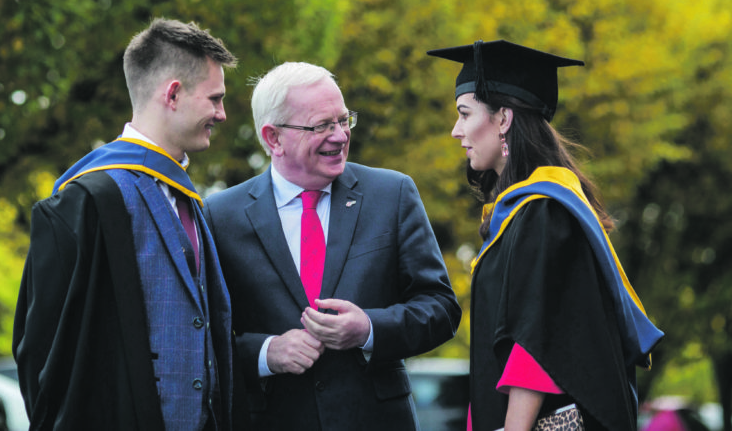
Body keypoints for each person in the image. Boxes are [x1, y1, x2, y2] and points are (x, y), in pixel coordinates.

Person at [202, 61, 462, 431]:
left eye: (343, 120)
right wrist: (267, 353)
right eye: (322, 125)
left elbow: (440, 309)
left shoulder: (392, 194)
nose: (340, 136)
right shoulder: (219, 215)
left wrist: (369, 328)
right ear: (273, 137)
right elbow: (204, 337)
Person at [13, 18, 239, 431]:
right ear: (173, 94)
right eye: (215, 99)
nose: (222, 114)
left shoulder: (190, 201)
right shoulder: (87, 201)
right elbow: (45, 354)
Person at [427, 40, 664, 431]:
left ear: (503, 119)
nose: (456, 131)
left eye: (465, 114)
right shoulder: (527, 211)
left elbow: (534, 341)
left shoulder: (544, 212)